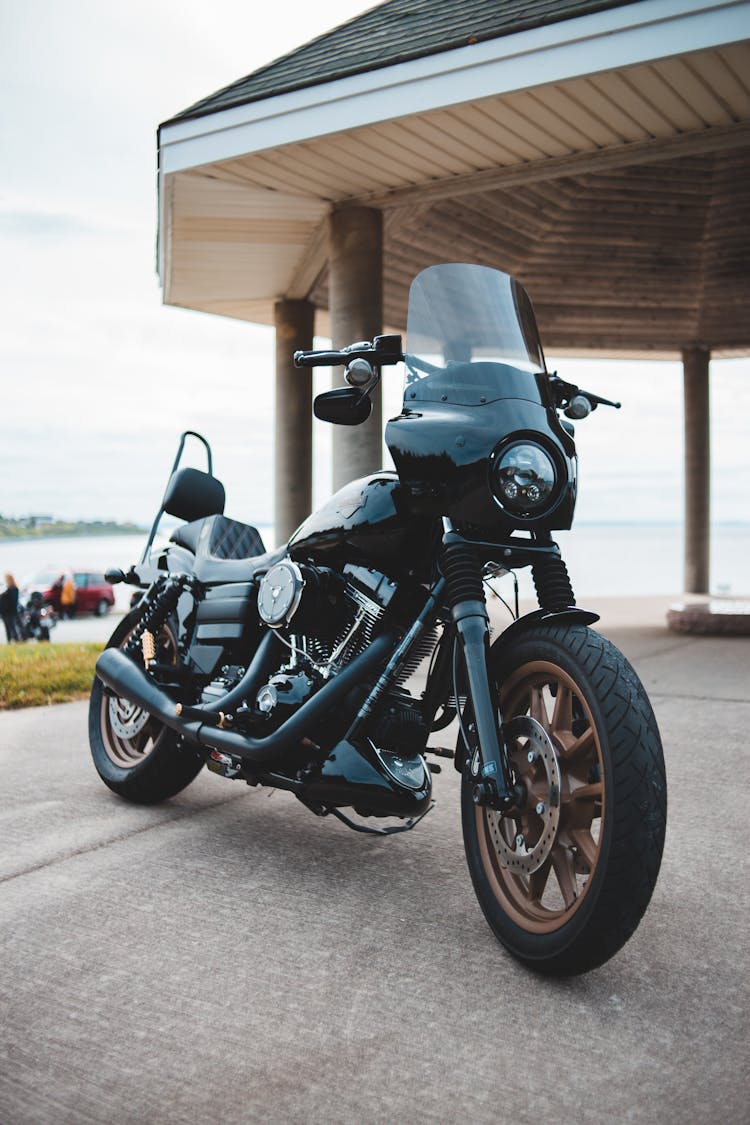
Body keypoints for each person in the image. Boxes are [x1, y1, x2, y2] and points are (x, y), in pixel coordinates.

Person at [0, 573, 20, 642]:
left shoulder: (13, 589)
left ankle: (16, 640)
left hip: (10, 612)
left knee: (12, 627)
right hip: (5, 612)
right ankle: (9, 641)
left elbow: (13, 601)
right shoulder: (7, 589)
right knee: (7, 628)